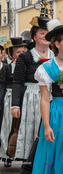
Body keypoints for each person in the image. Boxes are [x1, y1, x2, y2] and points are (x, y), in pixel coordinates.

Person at [32, 19, 63, 173]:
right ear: (57, 44)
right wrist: (47, 126)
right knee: (59, 151)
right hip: (58, 116)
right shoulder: (46, 68)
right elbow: (45, 99)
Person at [10, 16, 54, 160]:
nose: (45, 35)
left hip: (54, 98)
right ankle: (32, 161)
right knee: (34, 130)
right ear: (34, 36)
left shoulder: (58, 56)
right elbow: (17, 81)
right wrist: (15, 105)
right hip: (33, 99)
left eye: (48, 32)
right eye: (42, 33)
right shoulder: (26, 57)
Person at [0, 37, 26, 167]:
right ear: (11, 54)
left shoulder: (27, 68)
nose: (21, 55)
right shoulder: (6, 69)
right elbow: (2, 86)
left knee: (22, 127)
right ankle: (6, 155)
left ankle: (21, 154)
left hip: (24, 99)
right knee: (8, 126)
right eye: (18, 52)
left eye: (23, 52)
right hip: (9, 99)